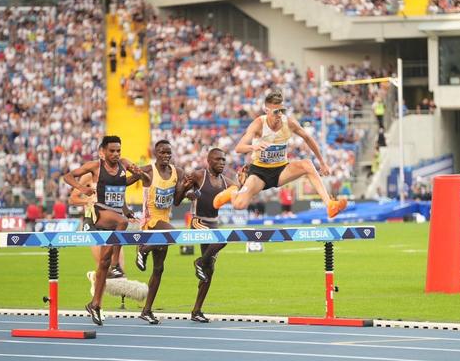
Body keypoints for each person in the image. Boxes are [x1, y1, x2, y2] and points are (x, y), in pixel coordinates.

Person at [213, 91, 347, 219]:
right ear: (267, 111)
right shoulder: (259, 124)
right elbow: (239, 148)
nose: (280, 115)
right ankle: (233, 191)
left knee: (307, 164)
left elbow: (308, 138)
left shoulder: (288, 122)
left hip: (281, 170)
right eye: (276, 111)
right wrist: (253, 146)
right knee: (239, 205)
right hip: (259, 173)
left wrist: (323, 163)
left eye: (282, 110)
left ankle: (329, 205)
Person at [63, 135, 144, 326]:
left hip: (115, 217)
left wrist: (127, 209)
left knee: (104, 265)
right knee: (112, 247)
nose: (116, 154)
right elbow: (71, 194)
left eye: (118, 151)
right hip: (96, 218)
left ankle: (95, 304)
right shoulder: (92, 170)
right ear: (102, 151)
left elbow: (118, 194)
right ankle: (113, 265)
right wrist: (85, 192)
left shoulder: (120, 171)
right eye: (111, 151)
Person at [177, 148, 238, 323]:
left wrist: (243, 183)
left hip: (214, 223)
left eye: (224, 160)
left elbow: (240, 193)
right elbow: (180, 196)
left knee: (209, 270)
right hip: (198, 221)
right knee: (223, 239)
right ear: (209, 161)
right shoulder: (198, 176)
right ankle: (199, 261)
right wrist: (187, 192)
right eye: (218, 159)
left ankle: (197, 310)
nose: (222, 163)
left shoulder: (227, 182)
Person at [134, 140, 187, 325]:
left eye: (168, 153)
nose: (166, 156)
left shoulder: (177, 172)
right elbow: (123, 183)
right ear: (155, 153)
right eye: (162, 152)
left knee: (159, 269)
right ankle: (143, 249)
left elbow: (178, 200)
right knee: (173, 236)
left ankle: (146, 310)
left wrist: (188, 191)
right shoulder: (148, 170)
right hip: (150, 221)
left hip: (165, 220)